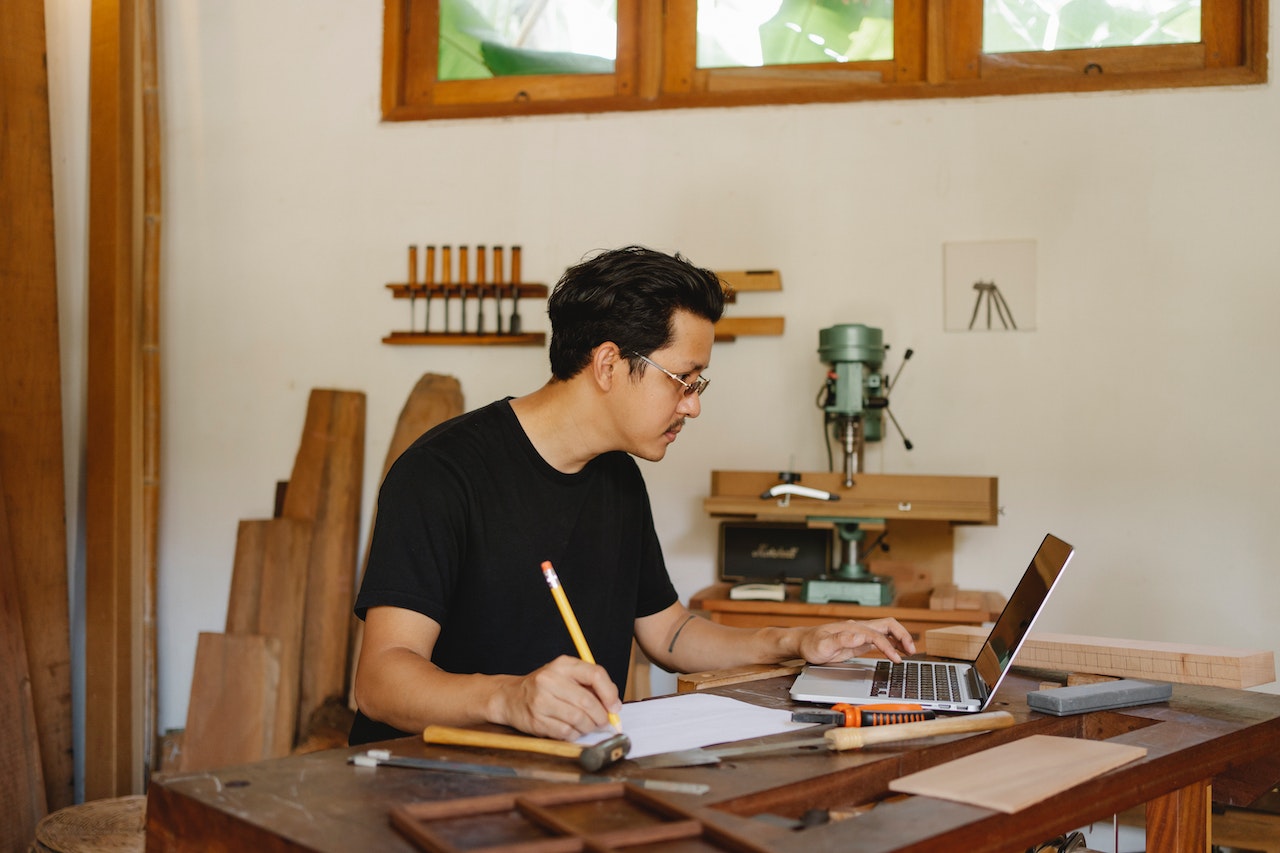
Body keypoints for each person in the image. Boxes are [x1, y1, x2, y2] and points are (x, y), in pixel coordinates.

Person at [349, 245, 916, 745]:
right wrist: (508, 698)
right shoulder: (441, 474)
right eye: (684, 380)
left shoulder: (616, 476)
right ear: (608, 364)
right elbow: (380, 682)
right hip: (423, 778)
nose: (693, 404)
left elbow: (668, 632)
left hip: (562, 772)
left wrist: (797, 640)